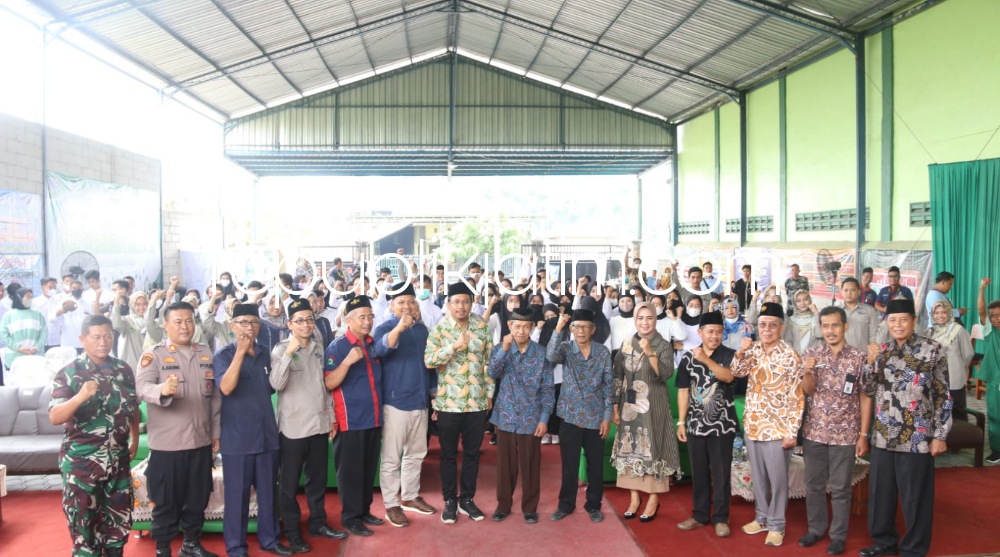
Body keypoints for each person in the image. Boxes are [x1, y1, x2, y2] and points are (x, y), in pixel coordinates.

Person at [859, 299, 952, 557]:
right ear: (886, 323)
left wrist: (940, 435)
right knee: (881, 496)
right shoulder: (883, 351)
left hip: (917, 438)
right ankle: (883, 542)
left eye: (903, 319)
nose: (897, 325)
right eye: (892, 320)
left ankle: (913, 549)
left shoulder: (932, 350)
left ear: (914, 320)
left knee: (915, 499)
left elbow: (943, 395)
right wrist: (870, 362)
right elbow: (867, 388)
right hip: (883, 436)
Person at [135, 302, 221, 557]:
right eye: (178, 321)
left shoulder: (205, 352)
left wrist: (216, 433)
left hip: (200, 441)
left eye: (189, 321)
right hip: (168, 445)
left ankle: (191, 544)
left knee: (198, 497)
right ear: (165, 325)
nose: (185, 326)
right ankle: (163, 549)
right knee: (166, 501)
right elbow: (141, 387)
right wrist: (161, 390)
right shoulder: (154, 355)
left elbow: (215, 398)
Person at [49, 315, 139, 557]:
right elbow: (55, 416)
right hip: (82, 464)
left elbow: (133, 407)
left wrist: (134, 438)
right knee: (84, 525)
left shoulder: (123, 369)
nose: (103, 342)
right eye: (96, 337)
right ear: (82, 339)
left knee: (118, 522)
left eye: (108, 336)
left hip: (117, 462)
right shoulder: (69, 373)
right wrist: (80, 397)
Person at [213, 304, 290, 557]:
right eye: (243, 323)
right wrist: (240, 353)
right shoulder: (223, 356)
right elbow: (226, 388)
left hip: (266, 434)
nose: (249, 328)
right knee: (237, 496)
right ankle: (236, 546)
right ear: (232, 325)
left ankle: (270, 540)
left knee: (268, 494)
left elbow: (272, 388)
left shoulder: (266, 353)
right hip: (238, 438)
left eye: (254, 322)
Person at [270, 299, 345, 551]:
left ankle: (317, 522)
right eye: (300, 320)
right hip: (293, 428)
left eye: (309, 319)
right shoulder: (280, 350)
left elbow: (322, 386)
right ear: (289, 323)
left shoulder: (318, 346)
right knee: (289, 484)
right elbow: (276, 384)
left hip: (318, 424)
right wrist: (289, 353)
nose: (306, 324)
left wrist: (330, 416)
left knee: (317, 480)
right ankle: (292, 531)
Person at [797, 307, 872, 556]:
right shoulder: (812, 354)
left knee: (841, 489)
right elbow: (807, 390)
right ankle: (816, 529)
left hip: (846, 433)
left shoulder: (859, 357)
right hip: (815, 432)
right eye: (826, 326)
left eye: (835, 325)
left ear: (845, 327)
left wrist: (863, 435)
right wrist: (808, 371)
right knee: (813, 486)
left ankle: (838, 536)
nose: (830, 330)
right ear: (821, 328)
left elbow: (865, 397)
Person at [730, 302, 804, 548]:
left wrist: (792, 431)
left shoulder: (790, 355)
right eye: (763, 325)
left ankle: (777, 525)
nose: (767, 329)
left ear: (781, 327)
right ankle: (761, 518)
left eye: (772, 325)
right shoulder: (753, 350)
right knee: (758, 477)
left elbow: (797, 396)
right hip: (754, 424)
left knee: (778, 480)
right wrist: (740, 352)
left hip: (777, 429)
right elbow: (736, 372)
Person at [424, 282, 495, 524]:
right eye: (456, 302)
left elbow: (489, 362)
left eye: (465, 301)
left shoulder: (481, 327)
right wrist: (452, 347)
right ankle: (449, 500)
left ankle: (467, 499)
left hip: (476, 401)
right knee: (448, 455)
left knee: (472, 454)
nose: (461, 306)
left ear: (472, 303)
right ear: (448, 304)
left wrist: (489, 394)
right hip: (449, 404)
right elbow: (429, 361)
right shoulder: (440, 329)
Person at [373, 283, 437, 528]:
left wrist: (433, 394)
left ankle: (410, 496)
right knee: (391, 458)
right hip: (395, 402)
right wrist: (399, 328)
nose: (407, 306)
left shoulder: (421, 330)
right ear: (392, 306)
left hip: (420, 401)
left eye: (411, 301)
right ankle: (391, 504)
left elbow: (429, 364)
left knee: (416, 454)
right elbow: (381, 349)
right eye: (401, 302)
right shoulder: (385, 327)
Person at [610, 302, 679, 522]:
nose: (645, 322)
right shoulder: (627, 343)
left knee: (653, 448)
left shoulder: (663, 345)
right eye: (640, 318)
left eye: (649, 318)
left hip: (654, 406)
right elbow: (618, 376)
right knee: (630, 448)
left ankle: (653, 499)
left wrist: (650, 353)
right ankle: (634, 498)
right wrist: (615, 406)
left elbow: (665, 374)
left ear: (655, 320)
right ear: (635, 320)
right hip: (629, 408)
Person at [324, 295, 384, 536]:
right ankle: (350, 517)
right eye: (362, 317)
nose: (367, 321)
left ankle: (364, 510)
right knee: (350, 473)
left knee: (368, 468)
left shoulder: (372, 343)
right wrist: (347, 362)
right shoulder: (337, 347)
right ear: (348, 320)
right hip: (350, 420)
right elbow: (329, 382)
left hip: (373, 417)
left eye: (370, 316)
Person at [488, 306, 554, 523]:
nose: (521, 331)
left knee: (531, 464)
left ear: (532, 327)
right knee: (504, 465)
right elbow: (492, 372)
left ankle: (530, 508)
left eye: (526, 327)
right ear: (510, 326)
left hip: (531, 416)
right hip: (506, 415)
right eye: (517, 326)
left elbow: (547, 389)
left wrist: (544, 419)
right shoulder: (501, 349)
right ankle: (503, 505)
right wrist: (504, 348)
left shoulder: (542, 353)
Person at [546, 309, 613, 524]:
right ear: (571, 329)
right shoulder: (566, 348)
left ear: (593, 329)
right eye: (576, 327)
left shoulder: (602, 352)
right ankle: (565, 505)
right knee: (569, 466)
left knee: (595, 466)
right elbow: (550, 357)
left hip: (595, 418)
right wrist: (558, 328)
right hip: (570, 416)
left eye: (585, 326)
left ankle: (594, 505)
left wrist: (607, 417)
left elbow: (608, 385)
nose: (581, 331)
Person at [675, 311, 738, 538]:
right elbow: (683, 391)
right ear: (700, 332)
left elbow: (728, 377)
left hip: (722, 426)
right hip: (696, 425)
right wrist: (681, 422)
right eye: (710, 331)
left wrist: (706, 360)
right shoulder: (687, 358)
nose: (714, 336)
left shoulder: (730, 355)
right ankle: (700, 515)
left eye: (719, 332)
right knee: (699, 473)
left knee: (721, 474)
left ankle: (721, 517)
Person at [929, 299, 973, 420]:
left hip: (954, 377)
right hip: (937, 378)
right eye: (936, 313)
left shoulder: (959, 330)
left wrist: (959, 367)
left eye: (944, 312)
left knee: (958, 410)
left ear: (949, 313)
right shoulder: (932, 331)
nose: (940, 316)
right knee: (941, 411)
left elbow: (968, 354)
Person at [975, 277, 1000, 464]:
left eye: (999, 315)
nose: (996, 319)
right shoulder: (990, 332)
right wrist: (982, 288)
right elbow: (981, 310)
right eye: (993, 316)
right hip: (994, 382)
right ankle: (996, 450)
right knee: (994, 416)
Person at [0, 286, 47, 367]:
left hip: (35, 357)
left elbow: (44, 333)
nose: (30, 299)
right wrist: (17, 347)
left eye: (31, 297)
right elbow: (4, 334)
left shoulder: (38, 314)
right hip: (15, 359)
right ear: (19, 297)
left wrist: (37, 347)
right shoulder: (8, 316)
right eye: (27, 297)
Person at [110, 291, 150, 371]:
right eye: (137, 304)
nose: (142, 307)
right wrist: (116, 303)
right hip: (131, 366)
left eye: (144, 304)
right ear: (132, 305)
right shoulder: (127, 321)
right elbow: (115, 324)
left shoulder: (151, 321)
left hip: (148, 365)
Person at [839, 278, 880, 352]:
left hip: (862, 355)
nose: (849, 293)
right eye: (846, 290)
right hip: (841, 355)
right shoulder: (836, 311)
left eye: (853, 290)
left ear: (859, 292)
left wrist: (872, 353)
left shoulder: (869, 310)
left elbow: (874, 335)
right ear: (841, 292)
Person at [784, 289, 822, 354]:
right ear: (795, 303)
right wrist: (793, 355)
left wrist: (816, 313)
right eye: (798, 301)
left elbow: (820, 335)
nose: (802, 303)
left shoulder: (815, 318)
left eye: (805, 299)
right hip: (795, 356)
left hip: (813, 357)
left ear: (810, 300)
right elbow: (787, 340)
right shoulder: (791, 320)